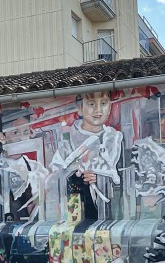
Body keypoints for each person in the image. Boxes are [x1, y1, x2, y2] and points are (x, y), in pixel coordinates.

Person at [50, 91, 124, 220]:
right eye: (91, 104)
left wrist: (101, 178)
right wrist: (79, 178)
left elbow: (124, 177)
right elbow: (55, 178)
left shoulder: (115, 139)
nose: (98, 110)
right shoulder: (68, 141)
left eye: (103, 103)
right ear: (79, 108)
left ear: (110, 107)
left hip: (112, 211)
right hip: (78, 212)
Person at [0, 106, 48, 221]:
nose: (21, 138)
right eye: (15, 132)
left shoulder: (36, 167)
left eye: (25, 132)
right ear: (2, 137)